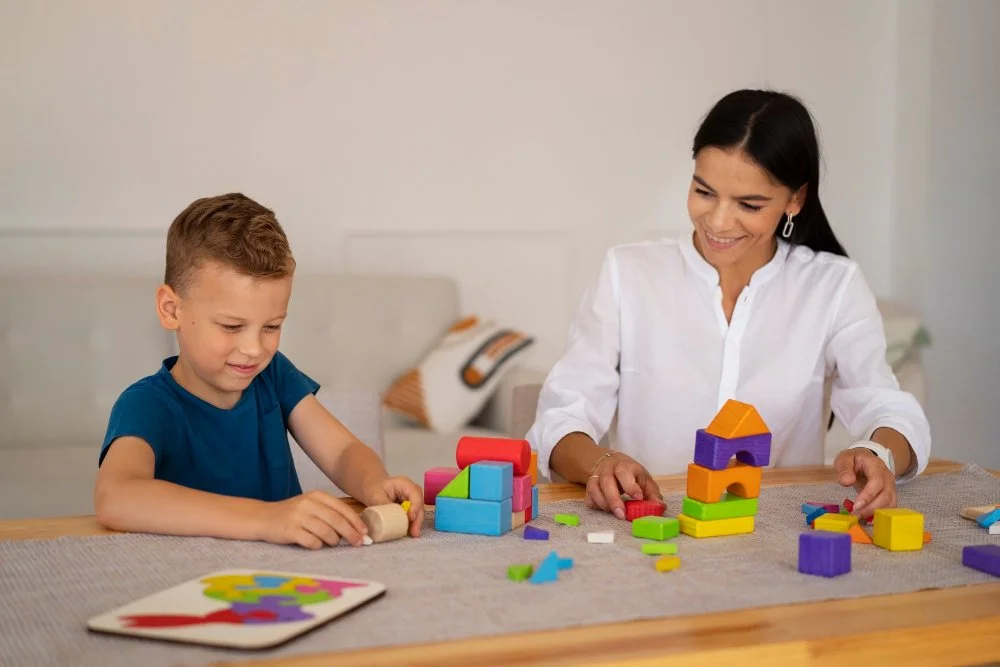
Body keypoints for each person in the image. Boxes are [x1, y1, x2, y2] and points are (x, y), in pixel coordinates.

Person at [526, 89, 931, 521]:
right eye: (704, 192)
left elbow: (886, 406)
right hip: (648, 526)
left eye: (749, 204)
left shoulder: (833, 286)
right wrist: (600, 464)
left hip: (778, 529)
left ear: (795, 200)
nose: (717, 222)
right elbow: (562, 415)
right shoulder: (627, 273)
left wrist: (878, 454)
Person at [94, 193, 424, 548]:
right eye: (232, 327)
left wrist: (373, 482)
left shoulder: (273, 376)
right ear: (171, 309)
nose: (255, 349)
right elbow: (117, 497)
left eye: (271, 327)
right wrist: (267, 518)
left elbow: (342, 451)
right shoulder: (146, 404)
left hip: (284, 571)